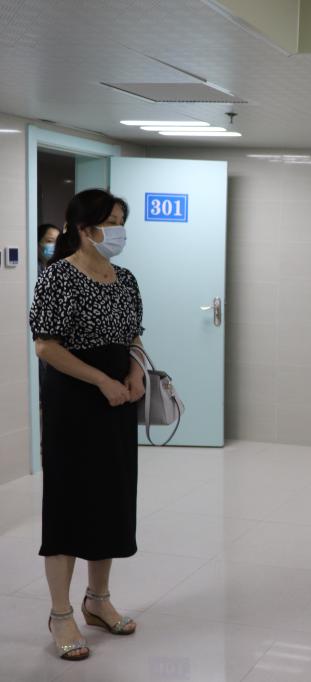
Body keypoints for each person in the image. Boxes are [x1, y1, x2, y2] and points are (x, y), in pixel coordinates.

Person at [29, 189, 144, 661]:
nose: (118, 230)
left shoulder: (125, 278)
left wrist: (135, 373)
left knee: (110, 500)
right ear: (84, 228)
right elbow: (46, 346)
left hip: (117, 403)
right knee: (69, 504)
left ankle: (98, 600)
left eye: (120, 221)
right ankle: (61, 613)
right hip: (75, 404)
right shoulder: (58, 277)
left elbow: (133, 335)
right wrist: (101, 380)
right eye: (110, 221)